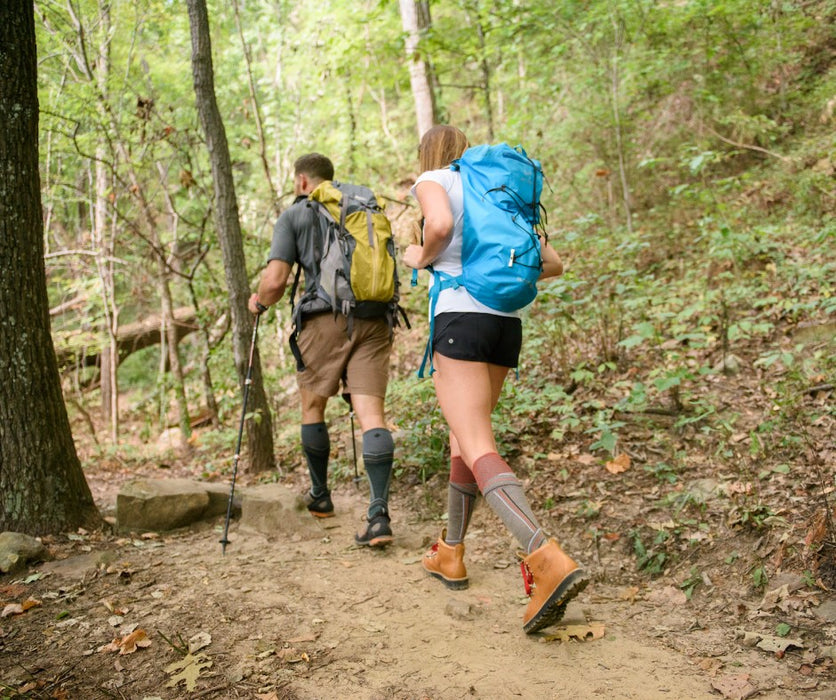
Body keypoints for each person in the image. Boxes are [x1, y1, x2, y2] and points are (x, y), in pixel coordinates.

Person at [402, 126, 589, 634]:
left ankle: (545, 557)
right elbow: (552, 264)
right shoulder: (500, 191)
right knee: (463, 438)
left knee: (477, 441)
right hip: (505, 326)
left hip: (460, 319)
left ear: (428, 154)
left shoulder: (435, 179)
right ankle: (451, 552)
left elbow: (440, 224)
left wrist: (420, 256)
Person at [248, 153, 396, 548]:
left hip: (324, 319)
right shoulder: (361, 206)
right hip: (375, 318)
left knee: (313, 406)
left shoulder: (295, 214)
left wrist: (258, 302)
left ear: (302, 181)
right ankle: (378, 515)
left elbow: (275, 281)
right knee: (372, 415)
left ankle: (320, 496)